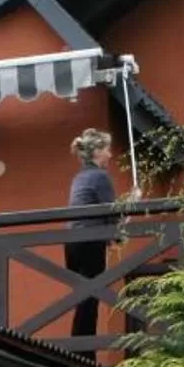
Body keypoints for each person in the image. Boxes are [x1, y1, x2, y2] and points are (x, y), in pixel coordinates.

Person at [65, 128, 120, 350]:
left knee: (83, 297)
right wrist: (133, 202)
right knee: (91, 298)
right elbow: (113, 212)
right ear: (97, 152)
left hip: (73, 242)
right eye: (107, 149)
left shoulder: (80, 177)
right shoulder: (100, 176)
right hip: (90, 240)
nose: (110, 154)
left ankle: (79, 347)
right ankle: (84, 351)